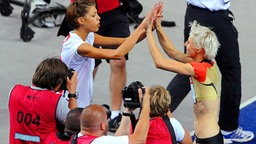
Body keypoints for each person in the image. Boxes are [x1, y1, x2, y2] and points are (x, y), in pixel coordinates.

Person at [166, 0, 254, 143]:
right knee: (231, 71)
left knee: (189, 69)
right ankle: (228, 128)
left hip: (193, 13)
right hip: (214, 17)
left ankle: (156, 112)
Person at [61, 0, 155, 115]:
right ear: (81, 20)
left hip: (80, 103)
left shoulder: (88, 36)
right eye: (93, 15)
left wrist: (149, 28)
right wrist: (142, 25)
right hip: (70, 106)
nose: (99, 18)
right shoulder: (78, 46)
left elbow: (124, 42)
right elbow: (117, 54)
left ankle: (115, 114)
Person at [146, 3, 223, 143]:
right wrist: (158, 27)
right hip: (203, 137)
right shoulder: (203, 62)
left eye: (189, 42)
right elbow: (172, 52)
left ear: (200, 50)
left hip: (208, 140)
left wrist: (147, 33)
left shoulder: (200, 70)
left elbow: (160, 62)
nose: (186, 45)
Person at [9, 57, 78, 144]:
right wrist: (72, 94)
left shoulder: (14, 91)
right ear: (59, 82)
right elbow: (75, 123)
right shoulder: (56, 101)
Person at [92, 0, 131, 133]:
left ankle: (115, 114)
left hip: (112, 9)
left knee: (119, 61)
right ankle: (81, 108)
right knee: (90, 64)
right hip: (84, 9)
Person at [70, 86, 151, 144]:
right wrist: (146, 101)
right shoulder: (99, 142)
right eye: (106, 119)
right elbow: (139, 139)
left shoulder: (77, 137)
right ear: (102, 126)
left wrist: (127, 112)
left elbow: (117, 139)